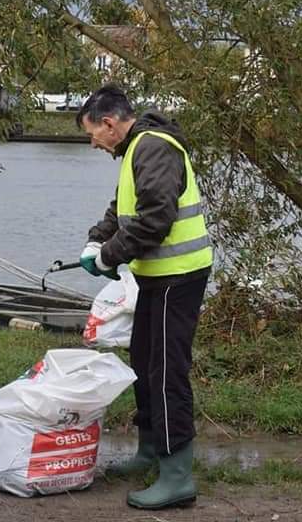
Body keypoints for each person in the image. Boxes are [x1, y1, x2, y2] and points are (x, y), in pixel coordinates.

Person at [76, 84, 212, 510]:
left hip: (178, 276)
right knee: (144, 362)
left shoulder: (152, 147)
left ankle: (177, 477)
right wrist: (96, 241)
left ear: (109, 124)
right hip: (155, 277)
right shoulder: (136, 149)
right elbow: (125, 210)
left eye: (91, 134)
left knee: (168, 371)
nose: (93, 143)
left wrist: (108, 258)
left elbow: (156, 219)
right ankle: (150, 450)